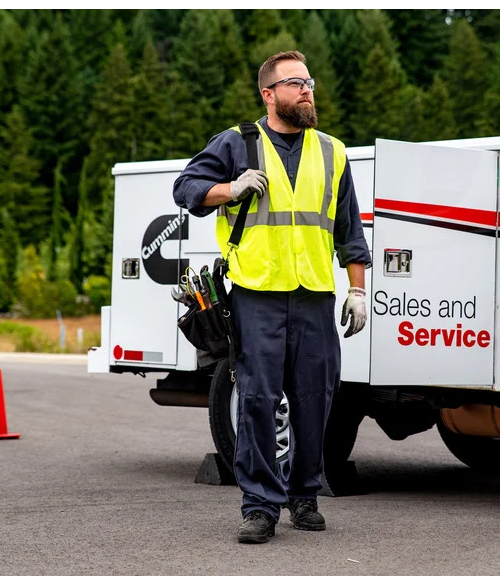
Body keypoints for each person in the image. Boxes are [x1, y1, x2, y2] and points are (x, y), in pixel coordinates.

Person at [172, 51, 371, 544]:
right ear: (269, 94)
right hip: (257, 293)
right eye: (295, 83)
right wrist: (230, 188)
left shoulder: (333, 151)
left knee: (315, 398)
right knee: (259, 400)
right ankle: (260, 506)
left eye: (309, 82)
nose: (307, 90)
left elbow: (349, 229)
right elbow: (185, 188)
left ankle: (304, 496)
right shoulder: (237, 142)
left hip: (314, 295)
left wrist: (358, 290)